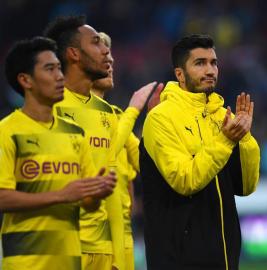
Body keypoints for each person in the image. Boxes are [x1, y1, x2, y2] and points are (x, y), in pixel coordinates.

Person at [43, 15, 157, 270]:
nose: (108, 53)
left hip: (107, 249)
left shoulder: (107, 113)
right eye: (96, 43)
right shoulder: (51, 108)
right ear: (73, 54)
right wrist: (133, 110)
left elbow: (128, 182)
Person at [140, 34, 260, 270]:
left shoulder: (220, 115)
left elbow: (245, 187)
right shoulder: (161, 118)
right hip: (179, 259)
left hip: (224, 257)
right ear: (179, 74)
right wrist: (226, 141)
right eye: (200, 63)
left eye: (213, 62)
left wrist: (245, 138)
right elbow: (185, 180)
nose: (210, 70)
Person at [0, 37, 116, 270]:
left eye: (59, 69)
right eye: (49, 69)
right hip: (26, 262)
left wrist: (96, 192)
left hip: (71, 260)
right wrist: (62, 195)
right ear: (25, 80)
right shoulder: (7, 130)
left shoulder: (75, 133)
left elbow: (85, 203)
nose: (60, 76)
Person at [91, 32, 162, 270]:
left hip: (123, 243)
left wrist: (156, 124)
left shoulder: (117, 117)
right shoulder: (65, 114)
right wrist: (133, 110)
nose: (110, 60)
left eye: (110, 53)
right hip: (88, 244)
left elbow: (151, 167)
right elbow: (103, 158)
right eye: (101, 53)